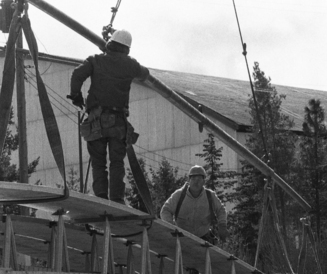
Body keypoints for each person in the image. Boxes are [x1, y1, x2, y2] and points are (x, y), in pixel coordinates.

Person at [68, 29, 149, 205]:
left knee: (98, 162)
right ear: (127, 48)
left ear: (110, 44)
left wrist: (76, 96)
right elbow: (145, 74)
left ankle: (102, 197)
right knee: (116, 162)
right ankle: (117, 199)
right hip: (118, 122)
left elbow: (77, 74)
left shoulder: (96, 60)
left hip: (96, 119)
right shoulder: (131, 65)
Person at [160, 165, 228, 243]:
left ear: (204, 181)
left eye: (199, 179)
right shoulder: (179, 195)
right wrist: (171, 227)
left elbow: (221, 210)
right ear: (189, 180)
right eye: (193, 178)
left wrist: (222, 225)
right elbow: (165, 210)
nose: (196, 182)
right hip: (181, 237)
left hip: (203, 238)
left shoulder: (210, 195)